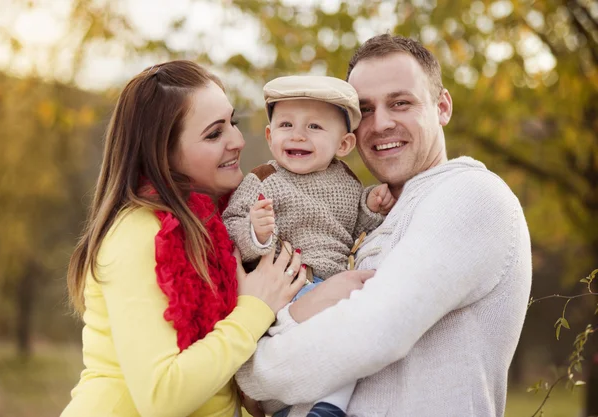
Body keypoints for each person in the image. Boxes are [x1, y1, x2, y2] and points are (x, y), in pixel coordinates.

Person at [234, 34, 533, 417]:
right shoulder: (371, 219)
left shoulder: (469, 193)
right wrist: (298, 315)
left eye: (400, 103)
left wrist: (244, 368)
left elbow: (370, 334)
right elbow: (288, 392)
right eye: (366, 110)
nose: (382, 123)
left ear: (442, 107)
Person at [60, 60, 375, 417]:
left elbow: (216, 361)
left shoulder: (215, 225)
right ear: (162, 154)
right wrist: (256, 308)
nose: (238, 141)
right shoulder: (139, 233)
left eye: (233, 123)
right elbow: (163, 396)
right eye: (214, 134)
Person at [222, 75, 396, 417]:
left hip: (330, 286)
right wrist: (255, 232)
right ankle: (298, 404)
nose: (298, 135)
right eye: (286, 124)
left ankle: (324, 408)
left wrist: (371, 207)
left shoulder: (347, 181)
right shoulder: (263, 179)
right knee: (341, 334)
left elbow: (356, 224)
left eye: (315, 127)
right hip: (288, 288)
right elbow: (230, 225)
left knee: (352, 343)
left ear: (343, 144)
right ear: (271, 137)